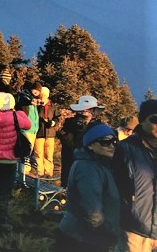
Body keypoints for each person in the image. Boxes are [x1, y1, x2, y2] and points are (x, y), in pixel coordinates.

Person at [56, 122, 120, 252]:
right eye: (105, 142)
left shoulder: (99, 164)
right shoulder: (89, 169)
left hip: (83, 236)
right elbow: (93, 212)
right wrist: (111, 231)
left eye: (114, 141)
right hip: (82, 240)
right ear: (90, 145)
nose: (112, 145)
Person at [0, 92, 32, 230]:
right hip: (9, 162)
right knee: (4, 192)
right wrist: (18, 111)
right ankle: (1, 221)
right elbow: (28, 124)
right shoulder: (16, 116)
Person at [113, 99, 157, 251]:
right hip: (134, 232)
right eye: (155, 119)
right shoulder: (125, 149)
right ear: (143, 120)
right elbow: (113, 188)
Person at [58, 95, 103, 187]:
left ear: (94, 111)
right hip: (72, 159)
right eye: (84, 109)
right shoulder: (71, 123)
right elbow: (68, 143)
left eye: (89, 109)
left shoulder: (98, 126)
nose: (86, 111)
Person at [32, 85, 58, 178]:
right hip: (39, 132)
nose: (41, 96)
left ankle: (48, 174)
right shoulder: (36, 106)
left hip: (50, 133)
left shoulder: (53, 106)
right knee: (38, 153)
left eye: (42, 95)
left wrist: (53, 123)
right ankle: (40, 173)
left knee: (49, 154)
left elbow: (57, 118)